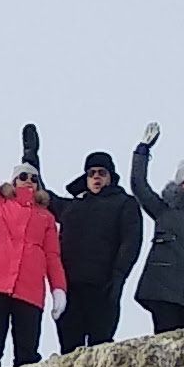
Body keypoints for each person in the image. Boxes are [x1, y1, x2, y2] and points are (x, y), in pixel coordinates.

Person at [0, 109, 64, 367]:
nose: (28, 181)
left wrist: (58, 289)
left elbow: (53, 256)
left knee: (27, 355)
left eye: (33, 178)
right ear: (14, 180)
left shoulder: (46, 218)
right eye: (22, 176)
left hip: (30, 289)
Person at [124, 128, 184, 333]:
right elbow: (139, 186)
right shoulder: (164, 210)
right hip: (163, 287)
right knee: (164, 339)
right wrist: (142, 152)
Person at [49, 145, 145, 350]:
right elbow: (44, 197)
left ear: (111, 176)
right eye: (91, 173)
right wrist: (30, 157)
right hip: (70, 285)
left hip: (103, 285)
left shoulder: (124, 203)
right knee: (69, 349)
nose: (96, 177)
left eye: (102, 172)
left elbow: (131, 241)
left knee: (101, 346)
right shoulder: (72, 206)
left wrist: (119, 275)